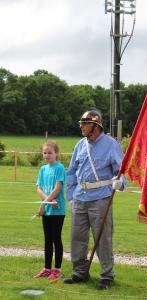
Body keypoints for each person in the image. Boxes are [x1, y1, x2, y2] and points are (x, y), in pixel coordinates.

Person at [63, 109, 125, 290]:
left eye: (85, 123)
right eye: (81, 123)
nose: (81, 126)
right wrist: (71, 197)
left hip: (101, 198)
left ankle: (107, 276)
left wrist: (120, 182)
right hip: (80, 198)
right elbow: (72, 172)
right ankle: (80, 272)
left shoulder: (111, 144)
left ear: (96, 125)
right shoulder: (80, 145)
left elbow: (120, 169)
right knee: (77, 237)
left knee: (102, 238)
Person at [34, 140, 66, 280]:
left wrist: (47, 201)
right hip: (48, 209)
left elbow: (58, 188)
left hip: (58, 210)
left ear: (56, 153)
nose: (47, 155)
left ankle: (57, 269)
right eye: (45, 152)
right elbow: (38, 188)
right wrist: (47, 201)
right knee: (47, 239)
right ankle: (47, 268)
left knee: (55, 238)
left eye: (50, 152)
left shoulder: (60, 168)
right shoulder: (42, 169)